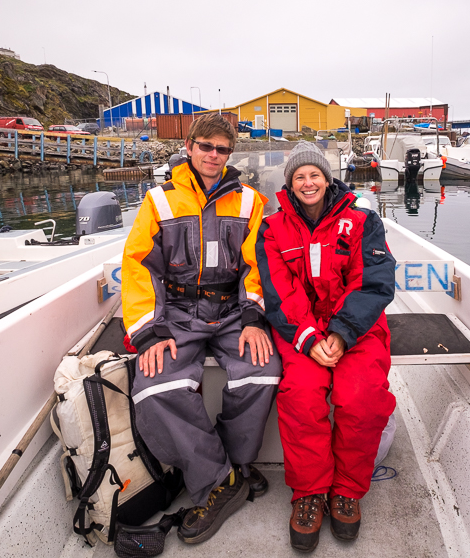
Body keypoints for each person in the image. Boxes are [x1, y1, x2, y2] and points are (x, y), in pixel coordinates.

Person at [121, 113, 282, 544]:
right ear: (190, 147)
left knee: (263, 370)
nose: (213, 155)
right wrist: (150, 332)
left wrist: (252, 317)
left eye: (222, 149)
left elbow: (256, 265)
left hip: (231, 309)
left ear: (230, 154)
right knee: (154, 386)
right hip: (176, 311)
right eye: (206, 146)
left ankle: (238, 467)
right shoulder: (159, 200)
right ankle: (221, 479)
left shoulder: (250, 201)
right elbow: (138, 268)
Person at [256, 141, 397, 552]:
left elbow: (374, 279)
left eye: (314, 174)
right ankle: (310, 494)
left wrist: (341, 332)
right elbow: (277, 291)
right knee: (300, 397)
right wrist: (309, 338)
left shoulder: (361, 219)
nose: (307, 182)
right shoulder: (273, 228)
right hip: (301, 332)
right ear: (290, 184)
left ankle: (347, 490)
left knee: (362, 397)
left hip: (357, 328)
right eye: (299, 176)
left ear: (327, 177)